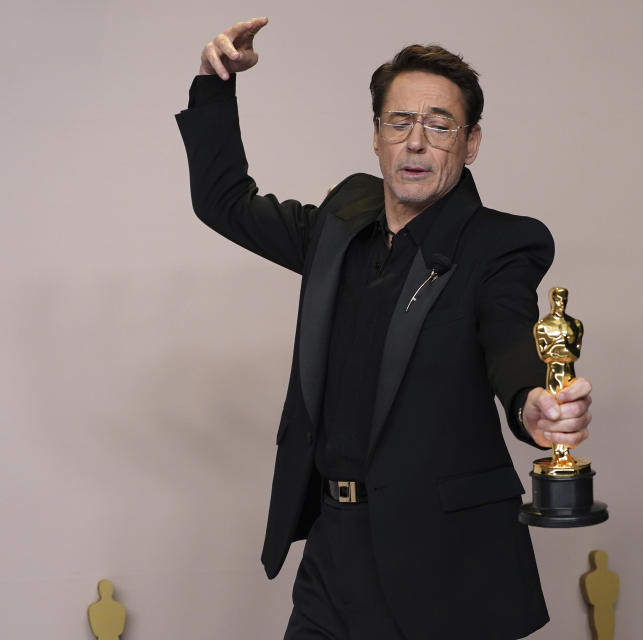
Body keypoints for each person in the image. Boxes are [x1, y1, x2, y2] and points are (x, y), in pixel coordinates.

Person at [176, 16, 594, 639]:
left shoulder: (501, 245)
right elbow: (224, 201)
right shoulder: (341, 220)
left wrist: (532, 401)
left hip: (441, 561)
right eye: (399, 122)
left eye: (439, 125)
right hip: (332, 548)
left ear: (471, 142)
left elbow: (509, 333)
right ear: (376, 135)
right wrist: (214, 86)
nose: (416, 143)